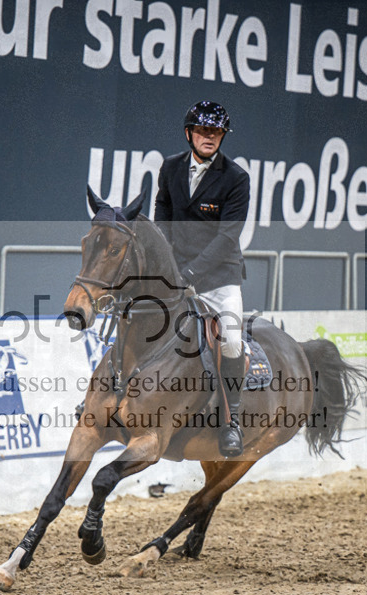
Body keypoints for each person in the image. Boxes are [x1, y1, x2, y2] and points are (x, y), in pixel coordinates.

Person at [154, 100, 251, 458]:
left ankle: (231, 421)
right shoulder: (169, 168)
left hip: (219, 277)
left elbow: (228, 235)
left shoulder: (237, 178)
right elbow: (162, 209)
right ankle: (114, 390)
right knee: (136, 315)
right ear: (189, 134)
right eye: (203, 131)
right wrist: (166, 257)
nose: (209, 137)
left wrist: (192, 273)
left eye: (216, 132)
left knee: (230, 342)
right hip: (176, 272)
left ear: (222, 136)